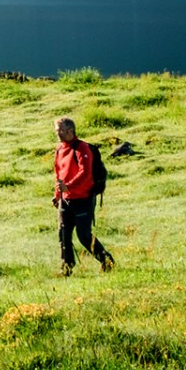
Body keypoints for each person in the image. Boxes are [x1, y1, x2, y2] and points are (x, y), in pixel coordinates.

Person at [52, 116, 113, 276]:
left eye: (61, 131)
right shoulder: (59, 149)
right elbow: (59, 173)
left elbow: (85, 173)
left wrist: (68, 186)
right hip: (65, 199)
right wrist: (57, 194)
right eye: (57, 131)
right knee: (63, 234)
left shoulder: (82, 148)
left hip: (83, 199)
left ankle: (106, 260)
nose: (58, 134)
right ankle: (66, 267)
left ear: (70, 131)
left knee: (83, 235)